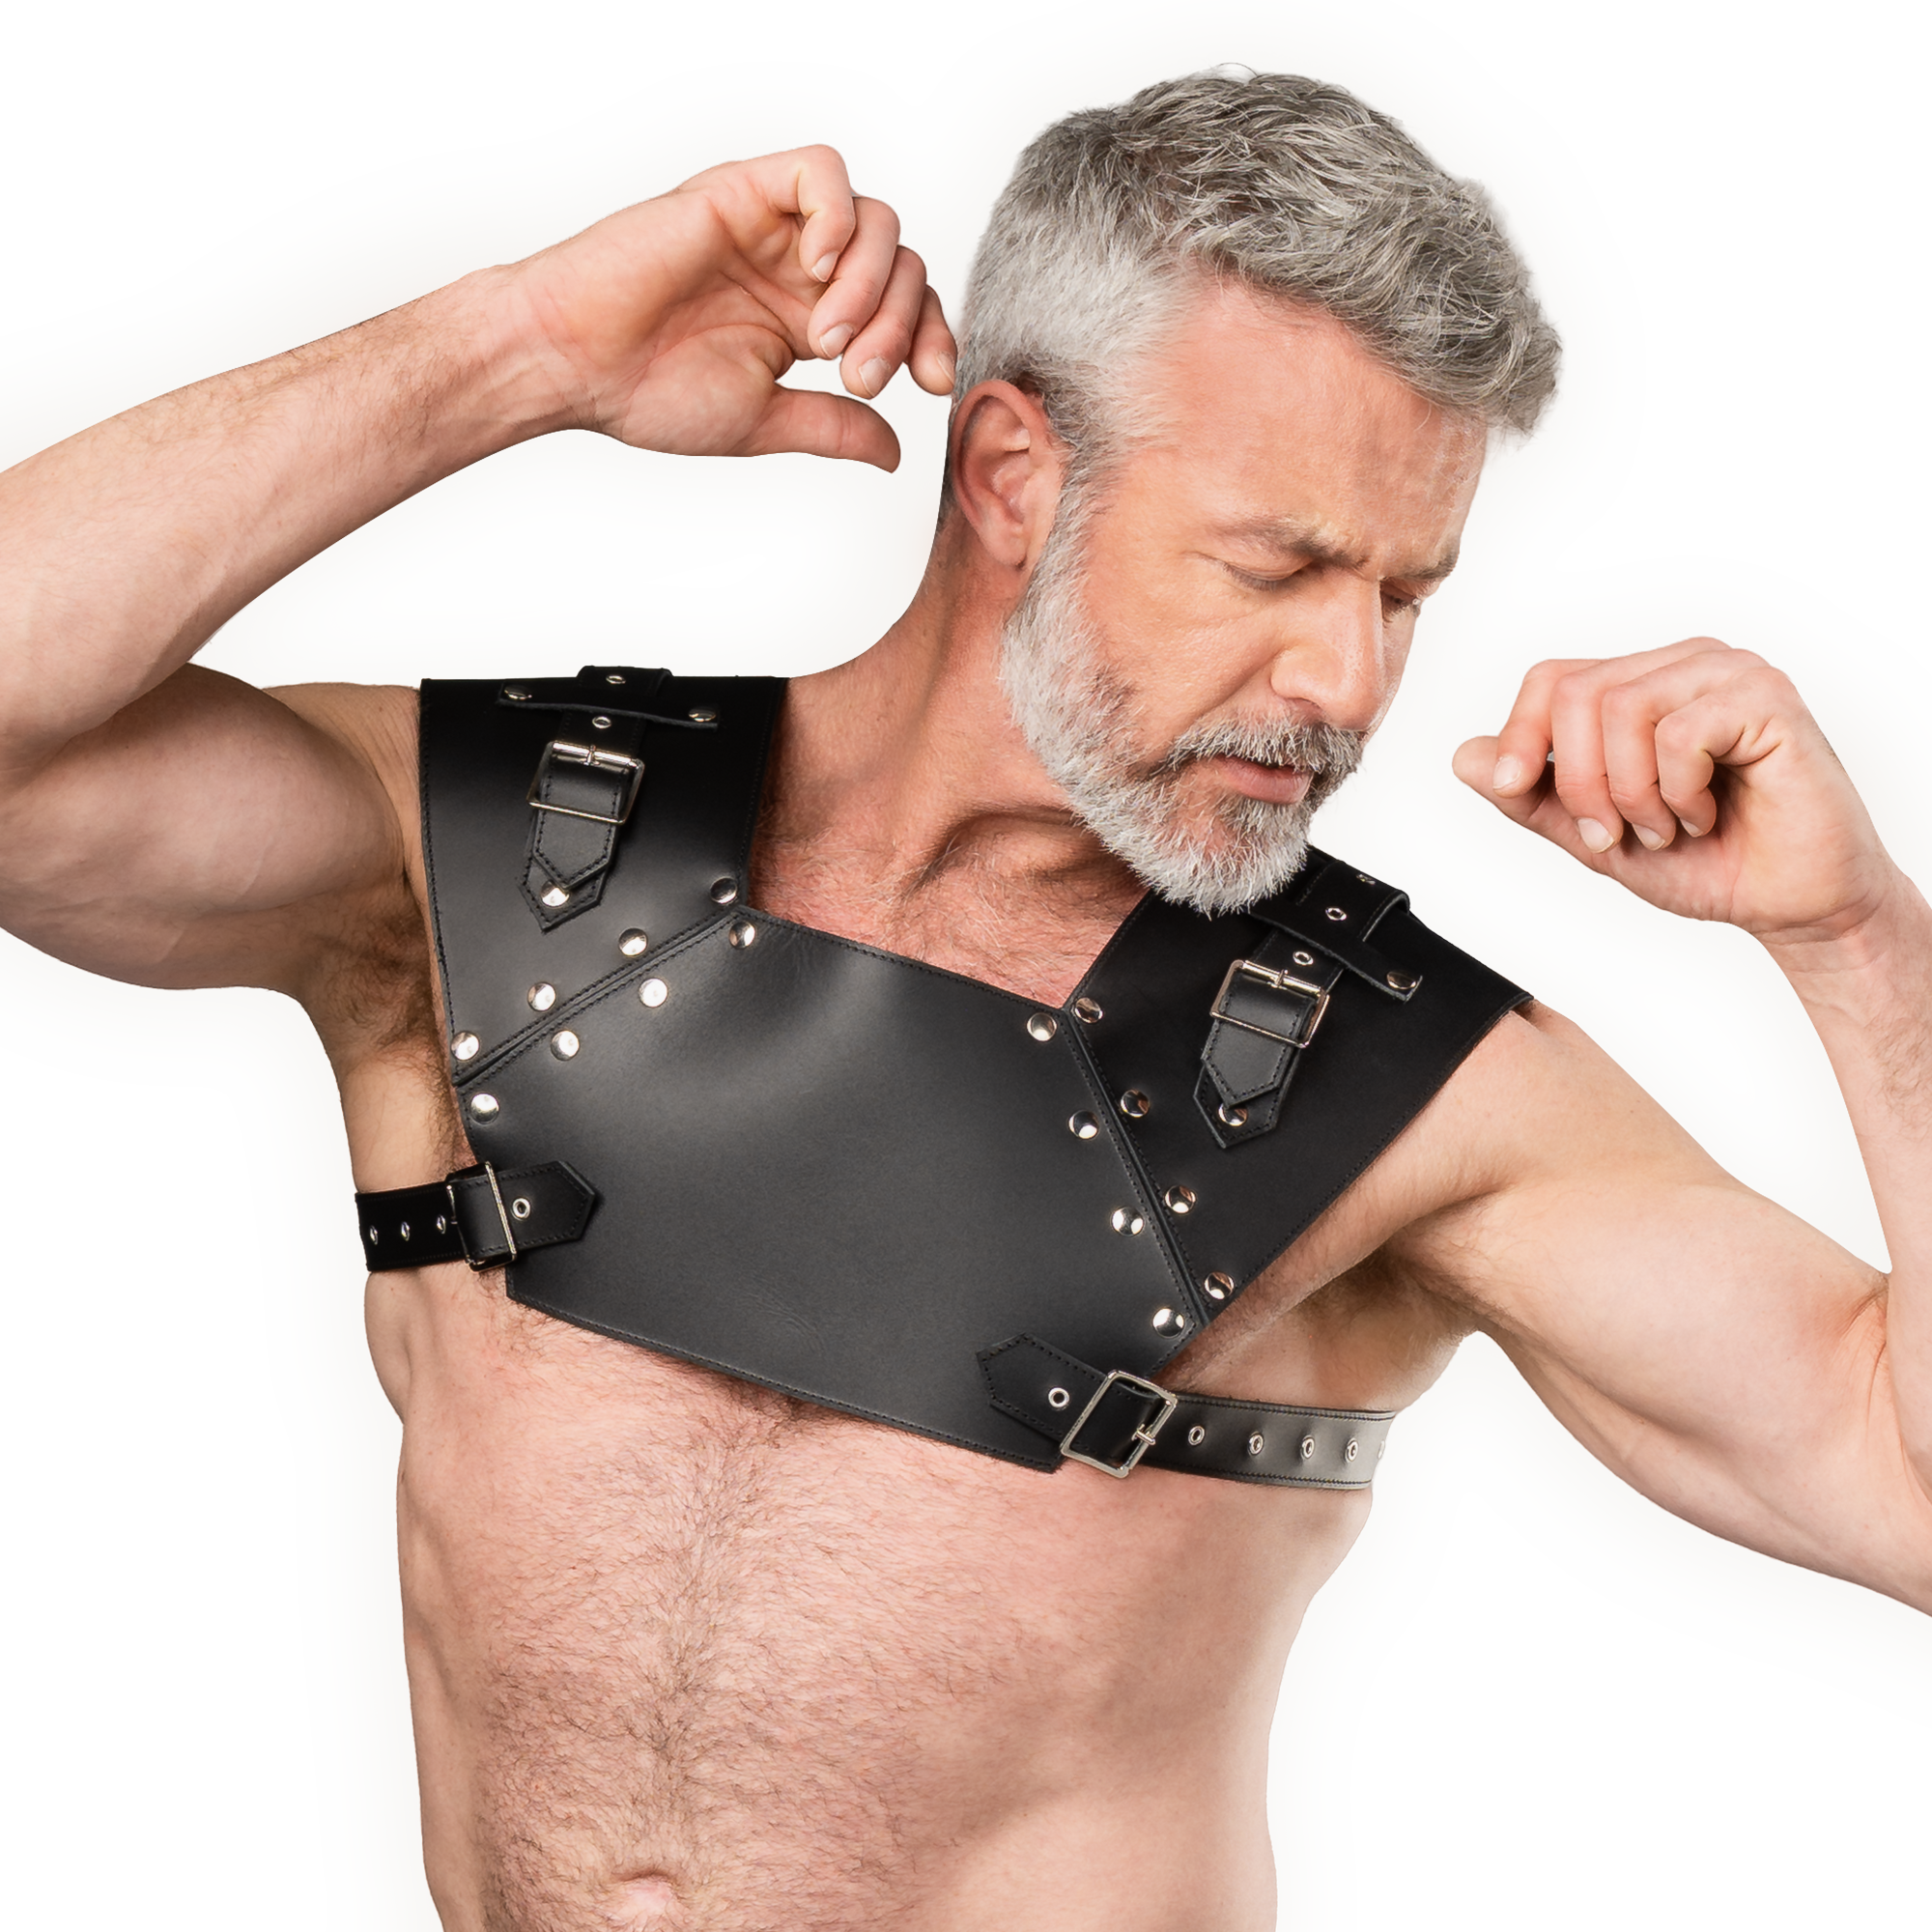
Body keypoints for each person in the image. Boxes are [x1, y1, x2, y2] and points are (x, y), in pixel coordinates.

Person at [0, 63, 1925, 1932]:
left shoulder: (1418, 1088)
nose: (1347, 680)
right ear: (1012, 474)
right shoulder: (495, 869)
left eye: (1403, 593)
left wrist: (1853, 938)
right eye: (1279, 565)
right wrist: (516, 349)